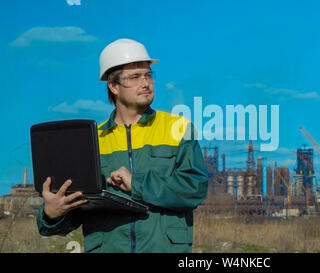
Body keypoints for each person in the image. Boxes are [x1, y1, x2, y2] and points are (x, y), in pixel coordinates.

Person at [36, 38, 209, 253]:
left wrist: (136, 183)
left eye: (148, 75)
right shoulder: (92, 140)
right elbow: (76, 209)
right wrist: (52, 214)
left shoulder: (179, 128)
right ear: (113, 86)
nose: (146, 83)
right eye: (135, 77)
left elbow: (195, 189)